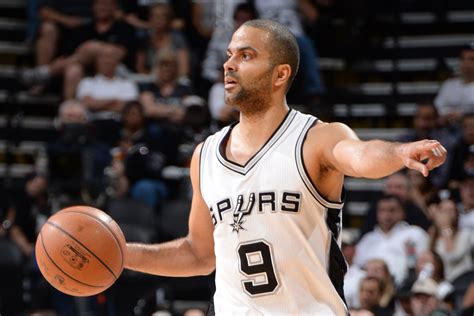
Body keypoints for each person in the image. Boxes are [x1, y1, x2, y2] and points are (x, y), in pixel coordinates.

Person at [124, 19, 447, 315]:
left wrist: (399, 152)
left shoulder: (316, 138)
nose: (229, 64)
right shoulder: (205, 155)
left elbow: (361, 156)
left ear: (280, 74)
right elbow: (199, 255)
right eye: (229, 55)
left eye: (246, 55)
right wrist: (121, 253)